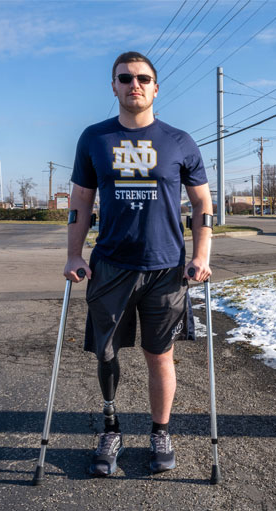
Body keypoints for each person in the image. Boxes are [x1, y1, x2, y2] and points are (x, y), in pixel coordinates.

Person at [64, 51, 213, 476]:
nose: (135, 85)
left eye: (143, 78)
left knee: (159, 355)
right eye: (125, 78)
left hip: (166, 268)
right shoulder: (94, 138)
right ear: (113, 86)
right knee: (106, 353)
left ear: (155, 87)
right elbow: (80, 201)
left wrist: (202, 255)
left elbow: (203, 202)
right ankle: (111, 428)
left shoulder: (179, 141)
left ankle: (160, 431)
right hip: (111, 265)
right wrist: (73, 254)